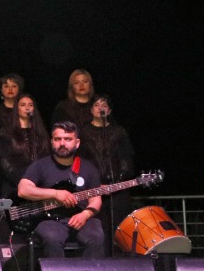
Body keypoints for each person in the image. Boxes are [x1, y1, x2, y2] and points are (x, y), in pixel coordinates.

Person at [17, 121, 106, 259]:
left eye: (68, 139)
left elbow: (96, 200)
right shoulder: (40, 165)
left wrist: (85, 214)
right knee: (52, 237)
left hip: (82, 218)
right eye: (58, 139)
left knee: (96, 237)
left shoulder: (89, 168)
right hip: (50, 220)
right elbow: (23, 190)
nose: (62, 143)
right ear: (52, 142)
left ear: (77, 143)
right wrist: (55, 194)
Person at [81, 94, 136, 242]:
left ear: (109, 111)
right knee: (97, 229)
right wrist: (92, 183)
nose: (100, 108)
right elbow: (80, 160)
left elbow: (126, 158)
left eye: (104, 105)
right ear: (91, 110)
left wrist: (116, 182)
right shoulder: (83, 132)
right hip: (92, 188)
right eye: (96, 105)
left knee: (120, 228)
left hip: (117, 188)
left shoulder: (118, 131)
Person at [0, 93, 49, 200]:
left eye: (30, 105)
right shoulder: (6, 132)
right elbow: (3, 162)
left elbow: (46, 156)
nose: (27, 108)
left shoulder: (40, 132)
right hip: (14, 184)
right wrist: (23, 180)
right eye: (23, 105)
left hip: (39, 184)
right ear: (16, 108)